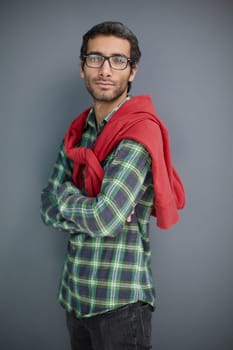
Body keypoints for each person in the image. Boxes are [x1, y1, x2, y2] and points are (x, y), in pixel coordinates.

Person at [40, 21, 185, 350]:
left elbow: (104, 218)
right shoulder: (80, 130)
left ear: (132, 71)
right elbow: (45, 207)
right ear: (82, 67)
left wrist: (66, 198)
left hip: (119, 305)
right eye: (96, 58)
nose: (106, 69)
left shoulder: (137, 137)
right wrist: (85, 207)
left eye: (118, 60)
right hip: (75, 295)